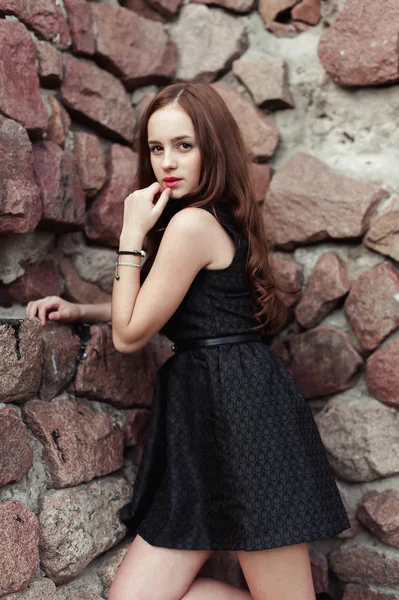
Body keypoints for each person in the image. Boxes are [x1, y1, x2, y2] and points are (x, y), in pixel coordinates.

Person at [26, 82, 350, 600]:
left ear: (212, 148)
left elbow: (132, 336)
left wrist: (130, 236)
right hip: (207, 419)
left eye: (184, 145)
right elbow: (166, 304)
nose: (167, 162)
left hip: (244, 419)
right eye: (156, 148)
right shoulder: (205, 218)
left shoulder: (193, 224)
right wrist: (83, 309)